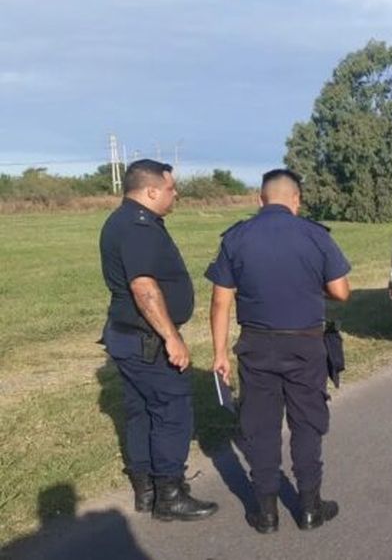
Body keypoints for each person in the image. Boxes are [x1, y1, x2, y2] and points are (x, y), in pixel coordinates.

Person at [206, 169, 351, 534]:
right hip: (305, 344)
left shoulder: (236, 237)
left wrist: (219, 353)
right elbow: (342, 291)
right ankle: (309, 508)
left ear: (260, 198)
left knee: (260, 427)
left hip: (255, 345)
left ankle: (266, 512)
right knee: (306, 424)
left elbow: (220, 302)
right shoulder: (315, 236)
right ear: (297, 200)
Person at [98, 159, 218, 522]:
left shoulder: (123, 220)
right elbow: (143, 286)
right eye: (170, 188)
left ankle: (145, 490)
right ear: (151, 191)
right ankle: (169, 494)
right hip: (147, 340)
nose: (175, 193)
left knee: (141, 412)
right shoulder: (139, 227)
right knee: (171, 411)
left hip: (127, 337)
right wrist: (172, 338)